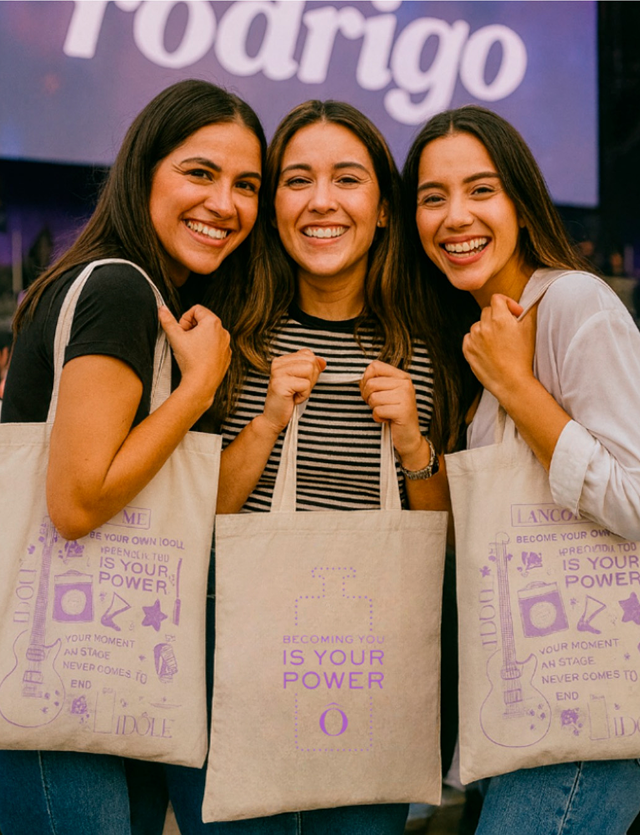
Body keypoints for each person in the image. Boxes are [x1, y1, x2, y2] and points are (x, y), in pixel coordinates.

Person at [162, 99, 448, 835]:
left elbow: (445, 536)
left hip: (367, 668)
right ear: (273, 205)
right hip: (233, 660)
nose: (322, 201)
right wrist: (264, 423)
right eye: (297, 180)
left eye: (347, 179)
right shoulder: (224, 335)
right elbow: (189, 519)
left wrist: (415, 441)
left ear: (383, 208)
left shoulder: (427, 349)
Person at [0, 78, 266, 835]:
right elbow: (77, 502)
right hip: (57, 683)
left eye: (247, 184)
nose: (226, 203)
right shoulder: (119, 289)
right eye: (200, 172)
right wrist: (199, 388)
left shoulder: (127, 292)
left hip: (100, 677)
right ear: (143, 169)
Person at [403, 104, 640, 835]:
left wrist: (517, 386)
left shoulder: (572, 302)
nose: (455, 216)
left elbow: (634, 499)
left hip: (586, 699)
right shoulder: (482, 335)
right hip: (526, 699)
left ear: (520, 200)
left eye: (481, 190)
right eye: (432, 197)